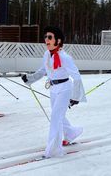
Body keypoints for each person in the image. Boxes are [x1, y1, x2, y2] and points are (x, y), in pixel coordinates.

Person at [21, 26, 87, 158]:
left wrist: (75, 96)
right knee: (59, 116)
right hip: (53, 89)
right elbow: (43, 71)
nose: (46, 39)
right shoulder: (46, 54)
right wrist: (29, 78)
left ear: (58, 40)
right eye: (45, 37)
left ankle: (54, 150)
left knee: (55, 118)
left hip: (65, 89)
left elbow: (77, 76)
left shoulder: (65, 57)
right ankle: (71, 133)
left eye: (50, 37)